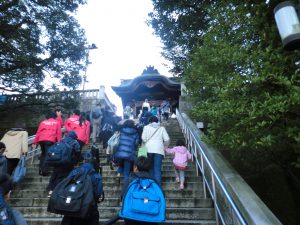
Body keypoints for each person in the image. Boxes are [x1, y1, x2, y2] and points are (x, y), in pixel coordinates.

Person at [60, 152, 103, 225]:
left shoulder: (74, 172)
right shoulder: (97, 176)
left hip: (72, 206)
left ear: (83, 161)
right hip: (89, 208)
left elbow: (65, 186)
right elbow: (98, 193)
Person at [122, 156, 160, 225]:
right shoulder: (154, 181)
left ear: (136, 167)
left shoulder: (130, 180)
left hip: (131, 217)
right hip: (151, 218)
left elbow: (123, 196)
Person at [47, 131, 81, 197]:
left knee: (55, 174)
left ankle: (51, 190)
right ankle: (59, 191)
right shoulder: (75, 142)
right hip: (67, 163)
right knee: (63, 176)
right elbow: (78, 152)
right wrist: (76, 161)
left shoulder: (62, 140)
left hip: (57, 161)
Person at [141, 116, 170, 186]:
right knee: (157, 170)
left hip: (148, 150)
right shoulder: (161, 128)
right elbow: (167, 139)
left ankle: (151, 187)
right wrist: (164, 147)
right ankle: (158, 188)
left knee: (150, 169)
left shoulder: (146, 127)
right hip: (159, 151)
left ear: (149, 121)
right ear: (157, 121)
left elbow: (143, 139)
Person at [113, 119, 140, 194]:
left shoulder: (121, 131)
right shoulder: (135, 133)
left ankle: (118, 173)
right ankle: (125, 192)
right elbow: (136, 143)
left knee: (122, 163)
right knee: (126, 174)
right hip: (129, 154)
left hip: (120, 153)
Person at [33, 111, 62, 176]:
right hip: (50, 140)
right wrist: (59, 142)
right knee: (47, 155)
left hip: (41, 140)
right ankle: (44, 171)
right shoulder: (56, 122)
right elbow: (58, 133)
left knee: (43, 154)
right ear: (54, 116)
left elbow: (38, 132)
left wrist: (35, 142)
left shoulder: (43, 122)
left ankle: (40, 170)